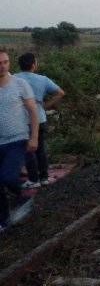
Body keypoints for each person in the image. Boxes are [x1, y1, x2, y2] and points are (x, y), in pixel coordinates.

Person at [0, 48, 39, 232]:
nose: (2, 66)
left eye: (5, 62)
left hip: (16, 139)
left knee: (7, 176)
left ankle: (25, 196)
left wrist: (34, 137)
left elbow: (33, 111)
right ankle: (3, 222)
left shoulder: (20, 84)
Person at [15, 53, 65, 188]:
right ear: (33, 65)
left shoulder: (14, 79)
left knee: (27, 150)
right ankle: (43, 178)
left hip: (22, 120)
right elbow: (60, 93)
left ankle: (33, 180)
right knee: (40, 149)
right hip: (40, 118)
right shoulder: (43, 79)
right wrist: (46, 105)